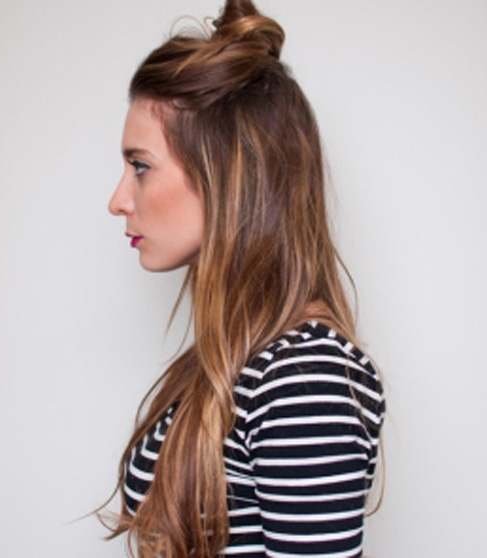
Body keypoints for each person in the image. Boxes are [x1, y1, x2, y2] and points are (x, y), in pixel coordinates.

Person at [106, 0, 385, 556]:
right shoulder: (240, 359)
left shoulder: (304, 380)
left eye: (140, 166)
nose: (118, 201)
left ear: (228, 173)